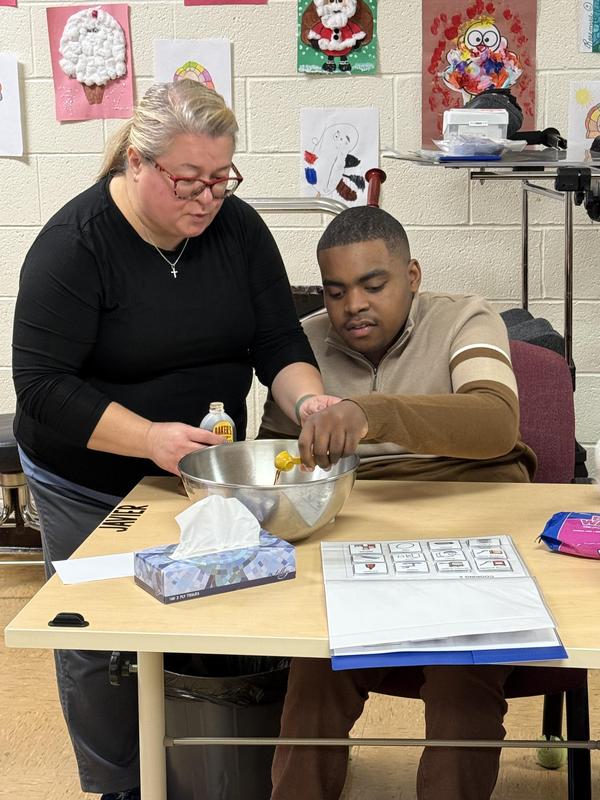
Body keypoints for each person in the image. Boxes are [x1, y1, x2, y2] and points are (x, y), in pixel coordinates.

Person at [11, 80, 336, 800]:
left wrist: (310, 398)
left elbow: (277, 341)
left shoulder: (239, 231)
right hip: (86, 475)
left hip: (202, 471)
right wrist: (151, 438)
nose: (206, 199)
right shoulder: (75, 246)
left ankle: (205, 773)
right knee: (100, 640)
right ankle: (122, 786)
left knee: (210, 616)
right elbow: (41, 388)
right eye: (188, 181)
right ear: (137, 162)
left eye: (222, 179)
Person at [259, 206, 585, 800]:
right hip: (359, 528)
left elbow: (494, 421)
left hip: (475, 515)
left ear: (411, 274)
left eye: (372, 285)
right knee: (312, 680)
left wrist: (369, 413)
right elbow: (278, 462)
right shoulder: (306, 345)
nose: (351, 305)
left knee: (462, 689)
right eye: (335, 292)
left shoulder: (464, 317)